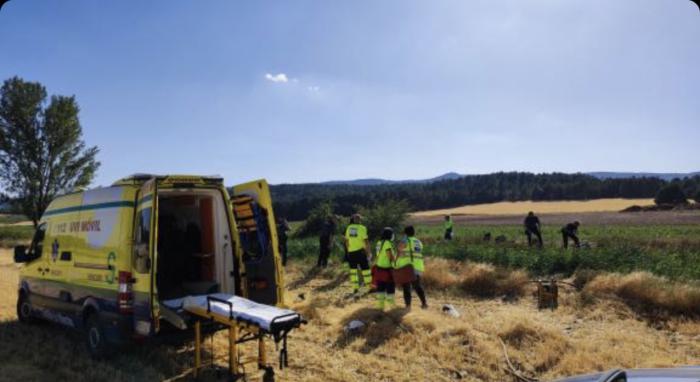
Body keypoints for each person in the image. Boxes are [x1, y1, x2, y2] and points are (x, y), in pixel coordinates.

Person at [396, 225, 427, 309]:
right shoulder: (418, 242)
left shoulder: (406, 241)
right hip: (418, 266)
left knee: (406, 287)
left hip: (407, 267)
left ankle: (408, 306)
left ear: (405, 233)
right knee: (417, 286)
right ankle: (424, 303)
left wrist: (404, 238)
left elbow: (399, 248)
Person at [344, 214, 372, 295]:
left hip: (351, 252)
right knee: (366, 270)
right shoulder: (362, 228)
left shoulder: (349, 228)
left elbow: (346, 241)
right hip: (360, 252)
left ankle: (355, 288)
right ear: (360, 220)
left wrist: (348, 250)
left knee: (353, 271)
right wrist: (369, 252)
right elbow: (366, 242)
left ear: (353, 220)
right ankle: (369, 287)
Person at [373, 227, 396, 310]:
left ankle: (380, 306)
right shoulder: (387, 243)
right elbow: (389, 255)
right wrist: (395, 263)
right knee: (390, 288)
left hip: (379, 269)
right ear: (389, 235)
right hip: (387, 270)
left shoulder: (379, 242)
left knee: (380, 288)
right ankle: (392, 307)